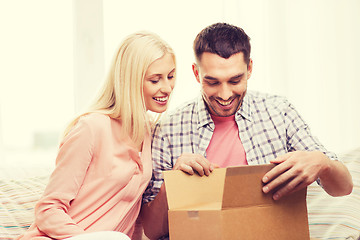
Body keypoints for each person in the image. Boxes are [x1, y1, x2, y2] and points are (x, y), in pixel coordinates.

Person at [140, 22, 353, 240]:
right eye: (212, 82)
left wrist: (323, 163)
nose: (225, 94)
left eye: (235, 80)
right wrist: (174, 183)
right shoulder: (167, 129)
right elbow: (152, 230)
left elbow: (343, 188)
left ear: (249, 68)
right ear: (196, 73)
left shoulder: (279, 112)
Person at [16, 31, 176, 240]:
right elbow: (48, 209)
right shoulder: (91, 128)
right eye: (155, 80)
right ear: (130, 81)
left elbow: (132, 215)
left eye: (171, 76)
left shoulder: (149, 132)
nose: (167, 87)